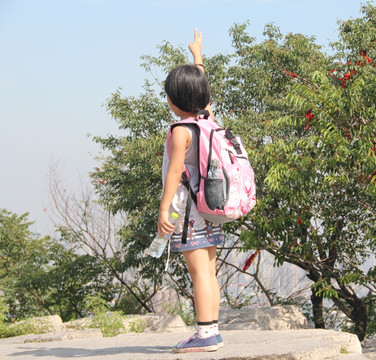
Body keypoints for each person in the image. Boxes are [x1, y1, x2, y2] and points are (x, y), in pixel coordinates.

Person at [158, 28, 224, 353]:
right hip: (210, 207)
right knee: (209, 270)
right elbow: (204, 94)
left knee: (198, 271)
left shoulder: (180, 131)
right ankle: (212, 329)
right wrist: (197, 57)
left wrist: (163, 209)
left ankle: (205, 335)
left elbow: (173, 174)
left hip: (187, 213)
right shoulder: (207, 118)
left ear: (173, 101)